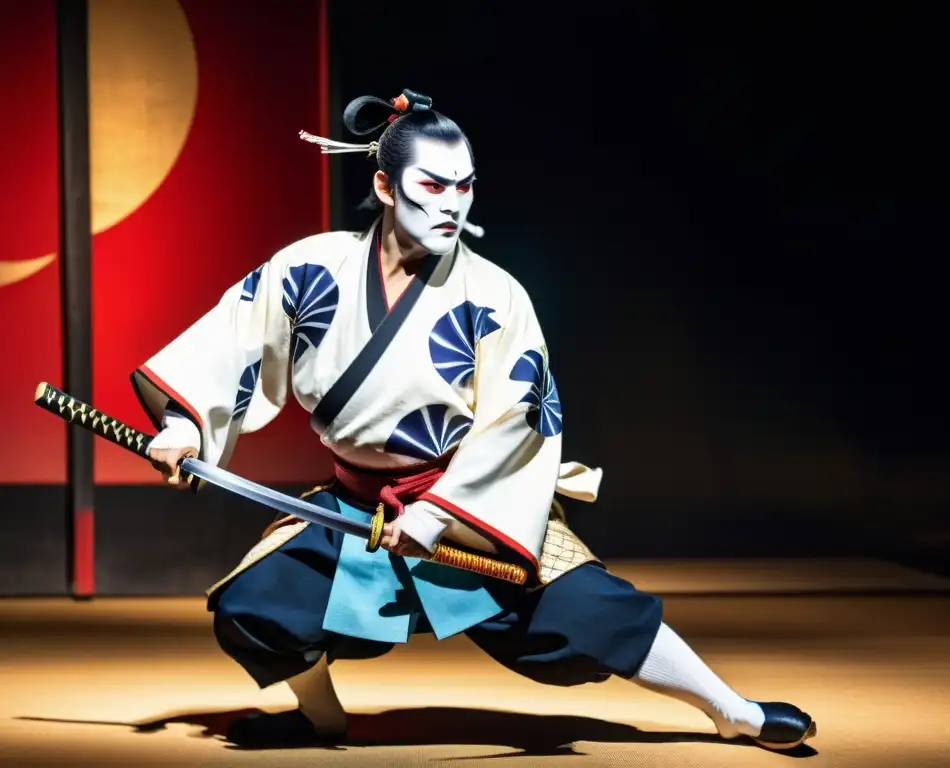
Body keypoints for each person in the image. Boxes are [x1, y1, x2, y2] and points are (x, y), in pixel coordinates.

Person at [135, 88, 816, 752]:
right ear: (383, 184)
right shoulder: (311, 268)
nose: (452, 204)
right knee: (252, 605)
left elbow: (515, 422)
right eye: (432, 186)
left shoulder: (494, 295)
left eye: (465, 187)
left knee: (596, 612)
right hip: (357, 512)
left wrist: (436, 516)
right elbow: (234, 345)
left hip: (473, 510)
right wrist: (187, 429)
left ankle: (733, 711)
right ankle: (322, 720)